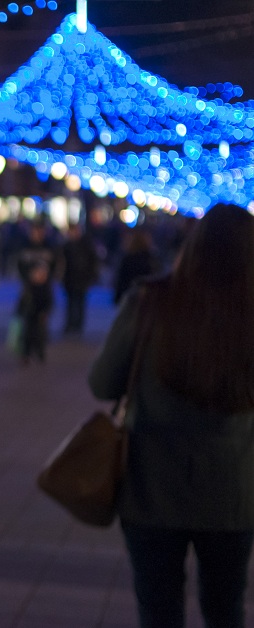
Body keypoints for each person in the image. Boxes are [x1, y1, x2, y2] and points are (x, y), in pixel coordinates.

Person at [89, 204, 254, 628]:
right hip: (233, 491)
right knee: (226, 609)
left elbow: (102, 383)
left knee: (158, 611)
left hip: (151, 487)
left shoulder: (150, 301)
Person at [60, 222, 100, 335]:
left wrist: (91, 275)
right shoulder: (67, 246)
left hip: (82, 278)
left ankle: (78, 324)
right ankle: (70, 324)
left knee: (80, 302)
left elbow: (92, 261)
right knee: (70, 302)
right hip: (70, 278)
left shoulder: (85, 245)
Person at [17, 261, 54, 364]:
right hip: (29, 314)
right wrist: (20, 311)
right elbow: (22, 301)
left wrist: (46, 312)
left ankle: (40, 353)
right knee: (27, 335)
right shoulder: (28, 287)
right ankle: (26, 354)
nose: (39, 276)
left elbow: (49, 302)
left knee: (40, 335)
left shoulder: (46, 288)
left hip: (40, 315)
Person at [113, 226, 160, 304]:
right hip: (146, 298)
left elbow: (122, 280)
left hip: (129, 297)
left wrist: (118, 297)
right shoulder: (150, 259)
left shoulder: (128, 259)